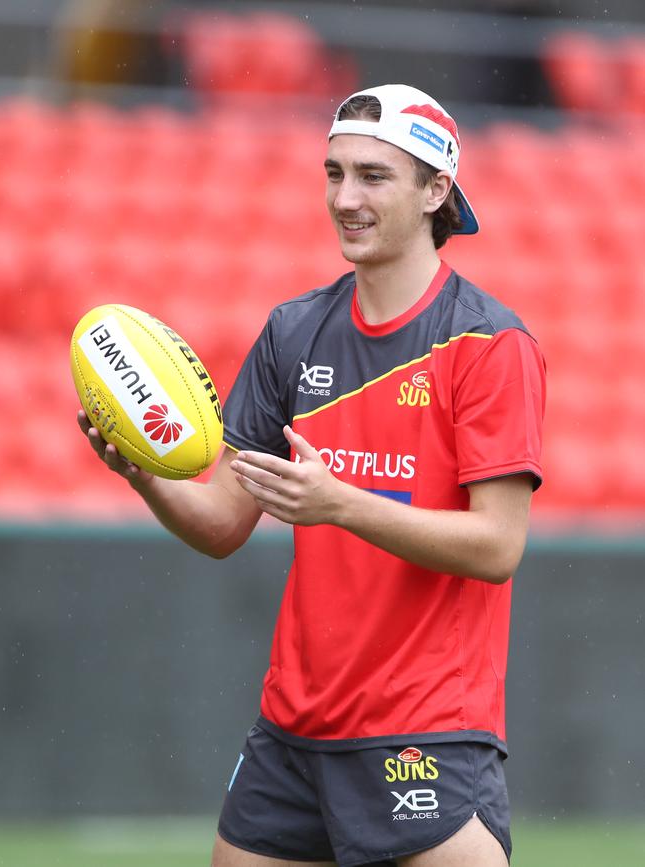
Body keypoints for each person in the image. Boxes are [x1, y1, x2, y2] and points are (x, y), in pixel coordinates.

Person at [78, 84, 546, 867]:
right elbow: (225, 524)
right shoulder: (293, 331)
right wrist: (144, 474)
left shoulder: (490, 344)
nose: (345, 198)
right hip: (293, 731)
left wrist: (340, 503)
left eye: (373, 176)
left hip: (425, 729)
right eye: (333, 173)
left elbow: (498, 545)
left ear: (437, 192)